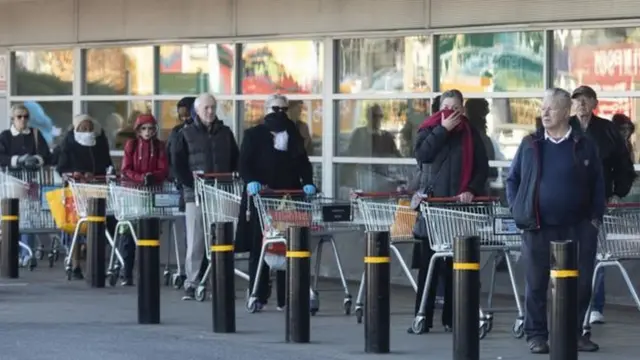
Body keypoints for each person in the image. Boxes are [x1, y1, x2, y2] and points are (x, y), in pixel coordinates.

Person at [507, 88, 604, 354]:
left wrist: (595, 218)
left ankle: (572, 333)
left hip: (579, 226)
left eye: (551, 108)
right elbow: (512, 179)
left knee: (581, 284)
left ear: (567, 112)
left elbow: (598, 182)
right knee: (536, 282)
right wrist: (518, 209)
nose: (544, 112)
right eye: (543, 107)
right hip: (538, 225)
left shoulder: (584, 144)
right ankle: (537, 335)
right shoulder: (530, 144)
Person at [409, 89, 489, 334]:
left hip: (458, 209)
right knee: (428, 266)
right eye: (446, 107)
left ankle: (452, 318)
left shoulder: (471, 134)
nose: (451, 113)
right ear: (438, 109)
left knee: (457, 265)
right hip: (433, 208)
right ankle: (422, 317)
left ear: (462, 109)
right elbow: (422, 155)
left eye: (455, 108)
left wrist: (472, 189)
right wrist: (442, 130)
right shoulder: (428, 129)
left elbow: (481, 168)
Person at [236, 94, 315, 311]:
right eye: (275, 109)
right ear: (266, 111)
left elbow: (303, 163)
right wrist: (251, 181)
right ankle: (258, 294)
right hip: (261, 196)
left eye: (283, 109)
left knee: (286, 245)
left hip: (287, 197)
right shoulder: (253, 134)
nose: (279, 113)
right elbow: (244, 163)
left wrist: (307, 183)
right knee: (258, 246)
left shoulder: (293, 135)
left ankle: (285, 297)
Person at [570, 86, 637, 325]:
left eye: (586, 100)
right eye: (577, 100)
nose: (581, 104)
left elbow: (623, 166)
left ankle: (594, 305)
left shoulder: (607, 130)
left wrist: (618, 193)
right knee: (569, 254)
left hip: (600, 202)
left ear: (594, 103)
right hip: (568, 203)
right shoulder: (565, 127)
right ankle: (569, 303)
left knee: (596, 254)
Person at [172, 93, 239, 300]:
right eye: (206, 108)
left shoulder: (225, 133)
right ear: (197, 111)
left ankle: (219, 280)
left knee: (222, 238)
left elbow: (235, 159)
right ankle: (191, 282)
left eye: (213, 107)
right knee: (196, 240)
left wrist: (234, 177)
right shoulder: (185, 134)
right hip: (196, 194)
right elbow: (177, 163)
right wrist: (190, 184)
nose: (210, 112)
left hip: (222, 191)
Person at [57, 114, 114, 279]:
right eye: (83, 128)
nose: (87, 131)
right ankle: (75, 264)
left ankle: (92, 261)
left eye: (90, 128)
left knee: (96, 227)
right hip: (75, 191)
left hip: (96, 189)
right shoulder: (69, 145)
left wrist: (98, 174)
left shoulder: (99, 144)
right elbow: (61, 168)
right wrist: (75, 174)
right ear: (76, 129)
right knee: (75, 228)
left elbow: (106, 164)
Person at [0, 104, 52, 266]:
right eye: (19, 116)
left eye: (25, 116)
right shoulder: (6, 136)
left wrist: (37, 160)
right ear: (12, 119)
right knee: (12, 217)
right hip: (12, 181)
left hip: (32, 181)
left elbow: (47, 155)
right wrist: (18, 160)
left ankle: (26, 253)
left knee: (29, 216)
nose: (23, 120)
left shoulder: (35, 135)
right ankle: (12, 252)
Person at [119, 114, 169, 285]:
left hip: (152, 193)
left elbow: (163, 169)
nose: (147, 132)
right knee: (129, 233)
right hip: (132, 193)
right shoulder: (131, 145)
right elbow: (125, 169)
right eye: (144, 128)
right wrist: (141, 178)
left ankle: (148, 273)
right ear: (138, 130)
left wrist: (152, 177)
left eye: (151, 128)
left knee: (149, 233)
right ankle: (127, 273)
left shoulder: (160, 146)